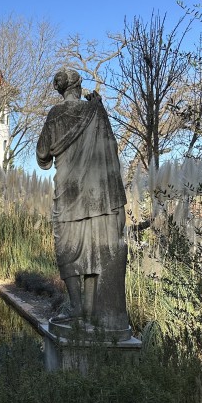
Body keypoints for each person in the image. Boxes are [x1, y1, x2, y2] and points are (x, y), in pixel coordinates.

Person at [36, 68, 129, 331]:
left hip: (68, 192)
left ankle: (78, 308)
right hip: (96, 196)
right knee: (92, 250)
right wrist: (97, 109)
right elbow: (110, 148)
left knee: (66, 247)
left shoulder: (56, 114)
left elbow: (42, 155)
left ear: (60, 88)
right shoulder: (94, 112)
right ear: (79, 85)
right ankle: (87, 311)